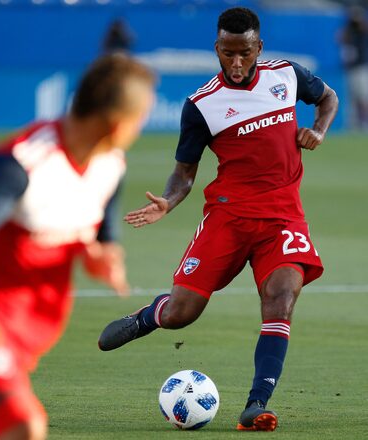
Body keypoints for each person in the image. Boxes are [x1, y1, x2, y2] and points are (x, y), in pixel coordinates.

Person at [99, 7, 338, 432]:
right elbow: (184, 173)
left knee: (281, 299)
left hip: (283, 218)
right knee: (182, 314)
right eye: (228, 53)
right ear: (217, 49)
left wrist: (318, 129)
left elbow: (328, 97)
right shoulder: (202, 105)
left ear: (258, 47)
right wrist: (168, 201)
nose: (237, 62)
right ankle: (149, 317)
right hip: (228, 217)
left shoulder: (286, 75)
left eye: (245, 52)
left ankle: (255, 405)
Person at [0, 54, 155, 440]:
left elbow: (95, 235)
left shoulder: (110, 167)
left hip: (23, 338)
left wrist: (103, 259)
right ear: (117, 123)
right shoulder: (23, 162)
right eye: (141, 117)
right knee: (25, 425)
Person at [339, 5, 368, 130]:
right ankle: (354, 124)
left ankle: (365, 123)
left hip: (361, 68)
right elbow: (341, 37)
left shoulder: (362, 31)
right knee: (352, 98)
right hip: (351, 69)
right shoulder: (349, 31)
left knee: (363, 97)